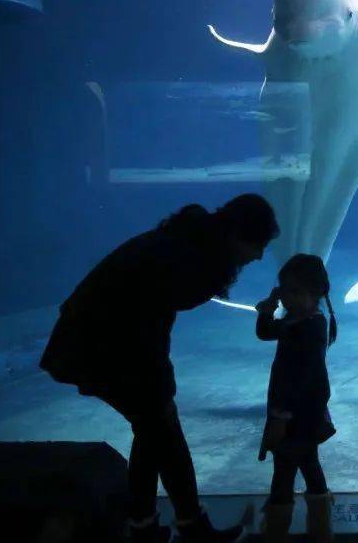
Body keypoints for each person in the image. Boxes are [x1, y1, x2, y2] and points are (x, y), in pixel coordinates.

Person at [39, 194, 278, 543]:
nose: (258, 256)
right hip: (96, 346)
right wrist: (159, 384)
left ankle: (145, 525)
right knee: (163, 430)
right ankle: (190, 526)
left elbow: (149, 317)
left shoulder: (187, 245)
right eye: (257, 245)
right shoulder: (185, 259)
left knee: (151, 430)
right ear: (237, 234)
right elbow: (144, 324)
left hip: (100, 342)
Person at [255, 254, 338, 543]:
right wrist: (268, 308)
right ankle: (321, 531)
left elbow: (302, 378)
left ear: (315, 293)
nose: (287, 298)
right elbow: (265, 332)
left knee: (285, 470)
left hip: (296, 416)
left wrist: (281, 417)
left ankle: (277, 531)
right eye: (285, 290)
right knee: (309, 466)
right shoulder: (299, 319)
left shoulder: (309, 326)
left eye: (294, 292)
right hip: (303, 415)